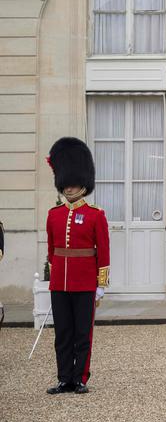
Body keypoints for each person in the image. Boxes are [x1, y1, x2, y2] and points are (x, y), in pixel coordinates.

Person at [44, 137, 110, 395]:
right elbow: (51, 250)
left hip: (85, 282)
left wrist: (100, 284)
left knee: (83, 334)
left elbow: (103, 251)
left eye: (73, 184)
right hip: (60, 282)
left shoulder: (96, 215)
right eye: (66, 184)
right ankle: (64, 378)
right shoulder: (54, 214)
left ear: (83, 183)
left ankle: (80, 377)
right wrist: (54, 274)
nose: (69, 188)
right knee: (62, 334)